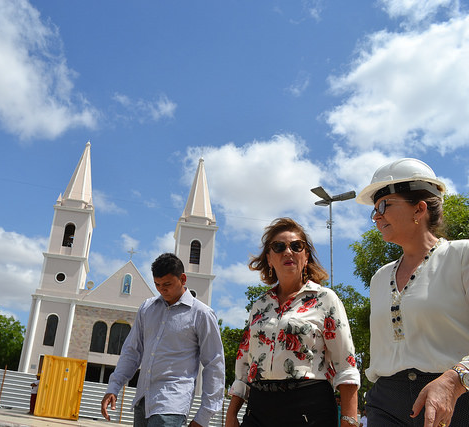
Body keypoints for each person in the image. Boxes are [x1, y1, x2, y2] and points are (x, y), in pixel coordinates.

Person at [357, 158, 469, 427]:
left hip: (457, 399)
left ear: (419, 208)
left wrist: (456, 379)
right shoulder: (380, 277)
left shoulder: (462, 256)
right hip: (386, 402)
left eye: (384, 205)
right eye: (374, 210)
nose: (376, 216)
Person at [226, 218, 360, 427]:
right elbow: (245, 364)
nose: (288, 252)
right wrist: (231, 413)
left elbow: (346, 364)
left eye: (296, 246)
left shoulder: (325, 299)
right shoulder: (259, 306)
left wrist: (349, 420)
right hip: (259, 407)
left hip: (309, 407)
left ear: (306, 256)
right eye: (279, 247)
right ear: (269, 259)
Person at [101, 252, 225, 427]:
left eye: (167, 284)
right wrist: (113, 387)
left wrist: (203, 416)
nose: (162, 289)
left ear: (183, 279)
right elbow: (132, 352)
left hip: (172, 404)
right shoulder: (147, 308)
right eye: (157, 284)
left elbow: (214, 364)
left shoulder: (201, 314)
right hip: (143, 402)